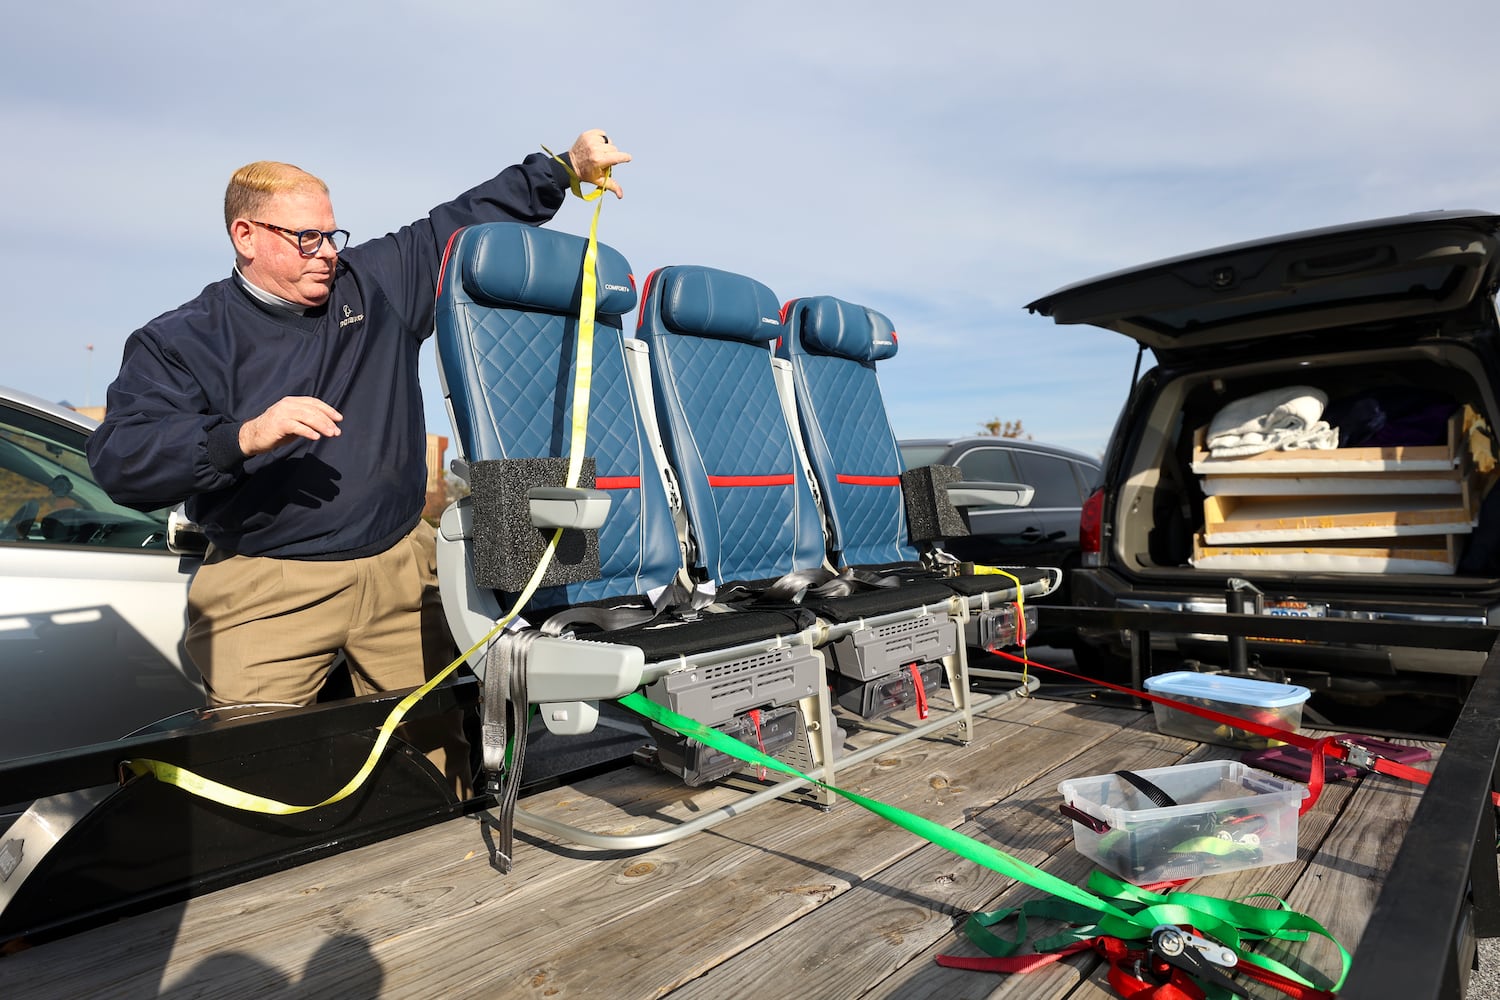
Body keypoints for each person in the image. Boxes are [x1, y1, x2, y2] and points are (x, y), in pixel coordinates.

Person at [87, 130, 630, 798]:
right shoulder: (181, 339)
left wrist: (563, 169)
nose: (325, 253)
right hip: (267, 583)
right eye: (305, 238)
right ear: (245, 236)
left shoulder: (372, 284)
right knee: (252, 777)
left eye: (331, 234)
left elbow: (461, 223)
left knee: (441, 764)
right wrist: (241, 437)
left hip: (400, 565)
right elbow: (120, 461)